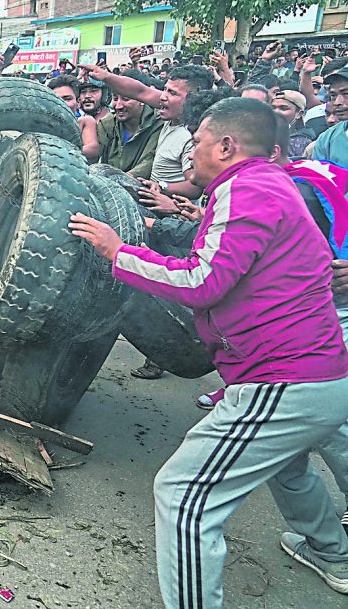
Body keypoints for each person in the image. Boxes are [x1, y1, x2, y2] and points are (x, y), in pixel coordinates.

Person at [70, 97, 348, 605]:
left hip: (285, 380)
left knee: (183, 496)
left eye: (196, 142)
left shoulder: (247, 188)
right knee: (285, 465)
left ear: (226, 145)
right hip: (315, 376)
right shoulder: (265, 185)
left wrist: (118, 252)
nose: (189, 154)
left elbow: (202, 281)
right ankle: (331, 552)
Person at [83, 62, 210, 200]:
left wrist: (161, 187)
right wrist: (106, 76)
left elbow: (194, 186)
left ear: (193, 99)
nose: (162, 97)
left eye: (172, 93)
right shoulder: (171, 115)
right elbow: (139, 91)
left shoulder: (190, 136)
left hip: (172, 213)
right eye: (165, 90)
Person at [96, 72, 164, 179]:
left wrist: (121, 179)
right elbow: (95, 154)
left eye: (126, 99)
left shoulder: (158, 123)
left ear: (143, 100)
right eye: (115, 98)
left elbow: (148, 161)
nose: (118, 106)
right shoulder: (107, 124)